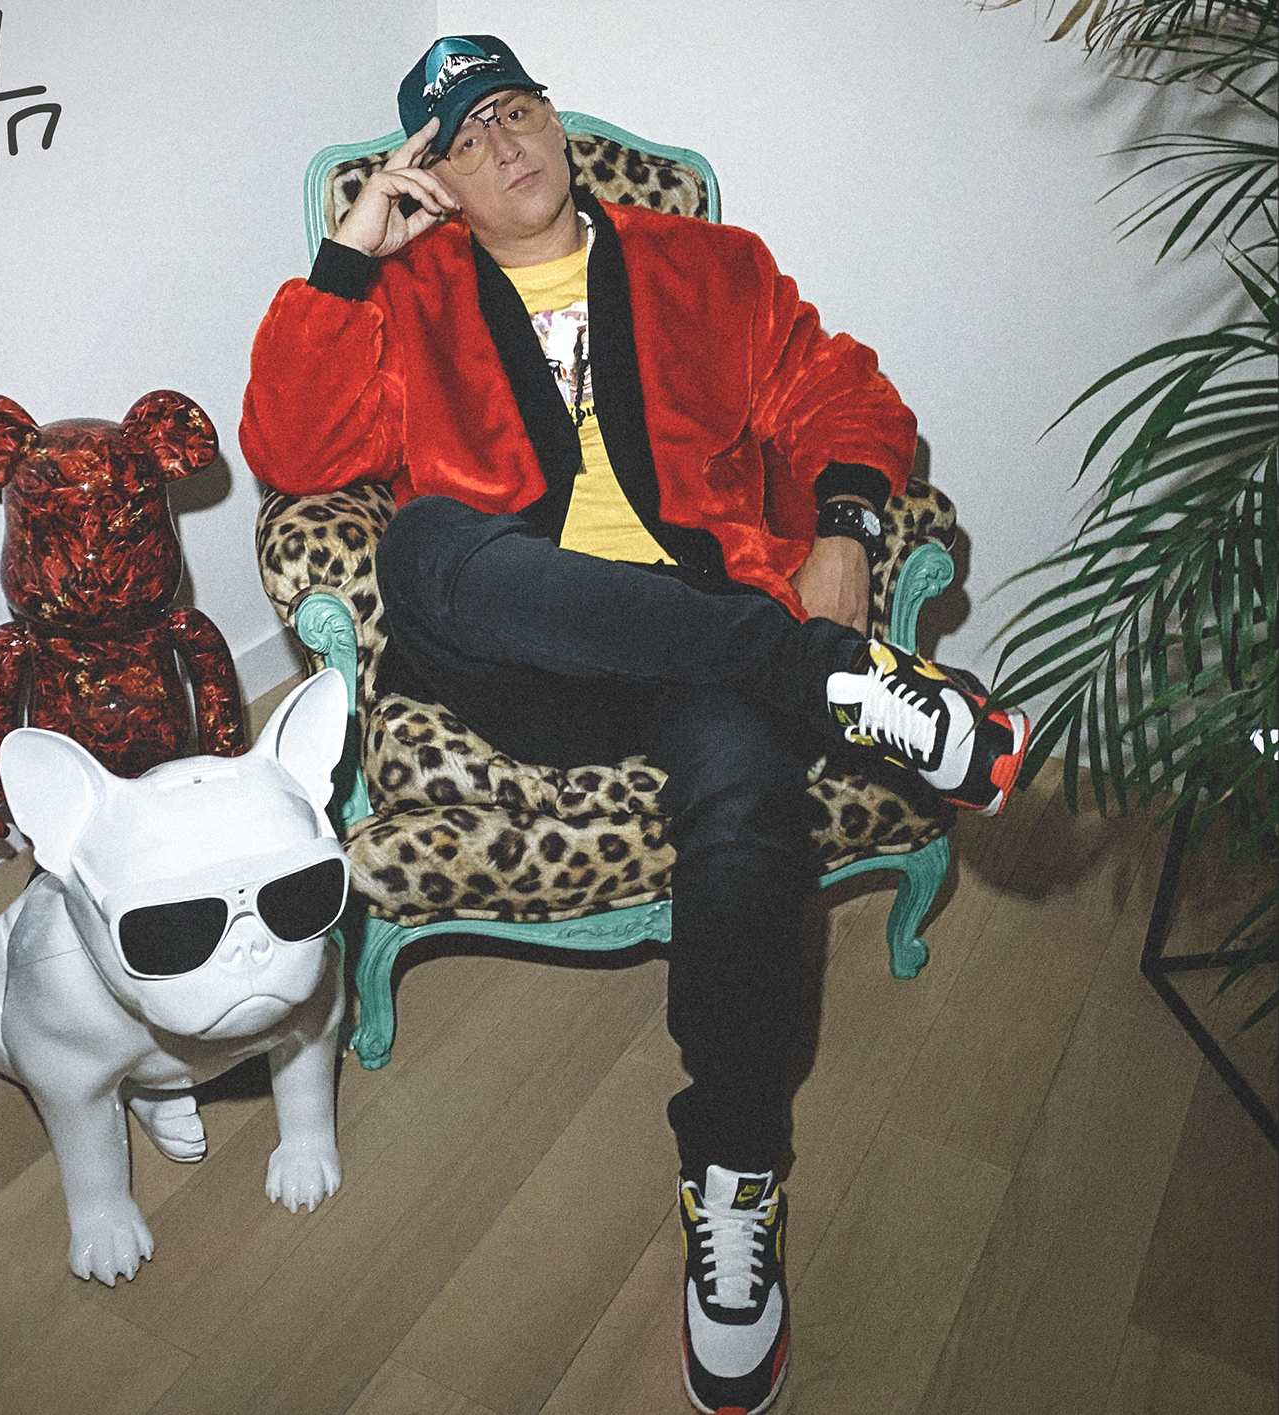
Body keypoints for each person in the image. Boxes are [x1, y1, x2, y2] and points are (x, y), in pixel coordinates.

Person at [241, 35, 1029, 1415]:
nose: (503, 144)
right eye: (463, 137)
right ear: (434, 180)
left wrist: (847, 526)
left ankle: (734, 1174)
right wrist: (350, 254)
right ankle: (829, 682)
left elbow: (845, 391)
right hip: (525, 660)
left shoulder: (705, 267)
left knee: (745, 803)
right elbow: (298, 454)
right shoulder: (406, 297)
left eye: (516, 110)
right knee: (426, 544)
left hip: (703, 639)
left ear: (556, 123)